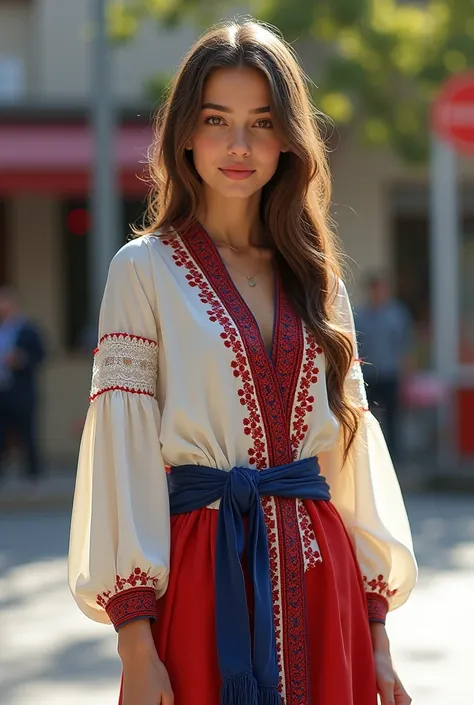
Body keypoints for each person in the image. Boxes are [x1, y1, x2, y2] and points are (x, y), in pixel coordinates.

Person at [68, 20, 417, 705]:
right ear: (185, 135)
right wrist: (136, 642)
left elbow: (350, 460)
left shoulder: (320, 282)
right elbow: (123, 452)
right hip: (205, 579)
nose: (238, 145)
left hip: (327, 589)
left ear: (288, 138)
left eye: (261, 122)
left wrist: (376, 637)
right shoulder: (143, 272)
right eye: (216, 119)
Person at [356, 274, 414, 460]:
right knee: (367, 416)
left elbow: (405, 345)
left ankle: (394, 455)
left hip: (390, 372)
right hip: (368, 374)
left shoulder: (397, 315)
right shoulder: (360, 316)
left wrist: (407, 373)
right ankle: (370, 454)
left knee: (392, 416)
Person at [0, 286, 46, 483]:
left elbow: (41, 354)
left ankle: (33, 477)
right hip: (3, 389)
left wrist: (21, 359)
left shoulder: (28, 329)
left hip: (22, 389)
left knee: (27, 433)